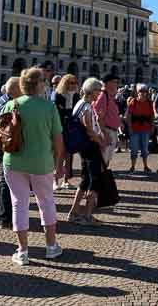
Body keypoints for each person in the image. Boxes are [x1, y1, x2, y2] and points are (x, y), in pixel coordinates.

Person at [1, 67, 64, 265]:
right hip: (41, 162)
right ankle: (51, 247)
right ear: (37, 85)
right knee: (46, 202)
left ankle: (23, 251)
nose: (45, 84)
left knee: (19, 203)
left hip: (13, 161)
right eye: (43, 81)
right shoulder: (48, 107)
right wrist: (58, 163)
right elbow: (57, 139)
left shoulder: (11, 105)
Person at [68, 77, 108, 225]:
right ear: (92, 91)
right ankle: (87, 215)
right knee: (94, 181)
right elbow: (89, 130)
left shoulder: (79, 104)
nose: (99, 94)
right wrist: (100, 140)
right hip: (90, 147)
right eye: (98, 91)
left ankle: (74, 212)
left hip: (84, 148)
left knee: (85, 180)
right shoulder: (86, 107)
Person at [0, 77, 20, 228]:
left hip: (1, 144)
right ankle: (4, 217)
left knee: (5, 181)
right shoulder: (9, 104)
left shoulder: (3, 101)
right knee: (6, 182)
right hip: (5, 145)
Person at [53, 74, 79, 189]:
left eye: (75, 83)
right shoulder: (58, 95)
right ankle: (55, 180)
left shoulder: (76, 96)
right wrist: (67, 113)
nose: (74, 85)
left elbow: (75, 113)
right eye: (71, 83)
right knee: (58, 154)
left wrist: (67, 113)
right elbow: (58, 113)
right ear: (65, 83)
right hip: (60, 128)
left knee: (69, 155)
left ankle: (66, 180)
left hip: (71, 129)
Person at [94, 74, 121, 166]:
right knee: (103, 159)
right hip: (106, 130)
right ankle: (101, 178)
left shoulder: (110, 96)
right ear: (108, 83)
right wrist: (104, 134)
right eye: (115, 82)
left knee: (106, 160)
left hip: (111, 130)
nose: (116, 84)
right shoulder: (103, 96)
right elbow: (98, 117)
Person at [126, 84, 153, 173]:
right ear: (137, 93)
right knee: (134, 149)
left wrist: (152, 126)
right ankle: (132, 166)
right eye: (141, 91)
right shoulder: (133, 102)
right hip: (134, 129)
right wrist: (129, 127)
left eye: (144, 91)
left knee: (145, 149)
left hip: (145, 129)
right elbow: (129, 116)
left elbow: (151, 116)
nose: (143, 93)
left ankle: (145, 166)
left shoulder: (149, 103)